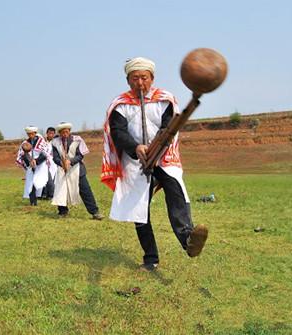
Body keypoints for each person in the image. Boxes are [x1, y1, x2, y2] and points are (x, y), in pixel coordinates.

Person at [101, 57, 208, 271]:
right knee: (139, 209)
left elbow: (170, 126)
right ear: (127, 80)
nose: (140, 83)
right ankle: (151, 259)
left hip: (164, 155)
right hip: (134, 161)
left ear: (152, 78)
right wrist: (136, 148)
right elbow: (118, 133)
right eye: (134, 79)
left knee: (175, 190)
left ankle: (188, 240)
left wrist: (157, 146)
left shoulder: (165, 100)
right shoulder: (120, 105)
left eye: (144, 78)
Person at [51, 122, 103, 220]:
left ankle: (95, 212)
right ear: (59, 132)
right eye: (62, 132)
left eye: (66, 132)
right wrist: (61, 163)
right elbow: (55, 157)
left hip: (77, 169)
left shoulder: (77, 140)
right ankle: (62, 211)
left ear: (69, 131)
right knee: (61, 190)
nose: (65, 134)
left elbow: (80, 155)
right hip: (62, 170)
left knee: (85, 191)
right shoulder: (55, 142)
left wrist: (70, 161)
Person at [16, 126, 49, 206]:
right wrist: (29, 162)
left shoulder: (41, 141)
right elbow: (22, 155)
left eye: (32, 134)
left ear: (35, 133)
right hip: (30, 166)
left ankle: (40, 198)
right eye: (28, 134)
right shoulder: (25, 143)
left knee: (38, 182)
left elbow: (45, 153)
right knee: (30, 183)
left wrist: (36, 161)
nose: (30, 135)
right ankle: (32, 202)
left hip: (40, 165)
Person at [40, 127, 58, 200]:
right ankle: (44, 194)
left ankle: (49, 195)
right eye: (50, 133)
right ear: (47, 133)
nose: (51, 135)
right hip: (44, 162)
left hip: (53, 163)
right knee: (45, 178)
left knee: (52, 178)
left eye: (53, 133)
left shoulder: (55, 142)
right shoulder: (43, 142)